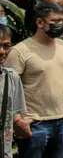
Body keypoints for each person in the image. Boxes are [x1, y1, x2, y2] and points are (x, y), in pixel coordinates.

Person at [6, 2, 63, 158]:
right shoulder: (20, 51)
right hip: (35, 123)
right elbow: (8, 89)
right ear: (40, 22)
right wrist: (17, 119)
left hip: (62, 120)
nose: (60, 25)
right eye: (55, 21)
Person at [0, 25, 29, 158]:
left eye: (6, 46)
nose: (2, 51)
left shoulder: (10, 77)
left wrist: (21, 125)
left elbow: (14, 114)